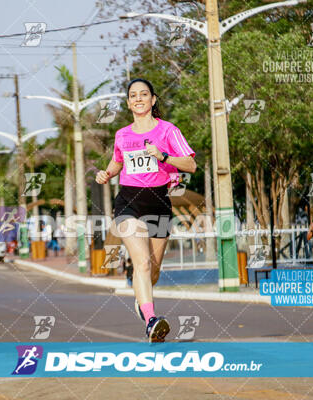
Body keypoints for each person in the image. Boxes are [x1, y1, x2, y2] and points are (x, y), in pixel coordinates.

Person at [95, 78, 196, 342]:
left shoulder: (168, 131)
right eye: (133, 95)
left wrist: (163, 156)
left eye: (144, 94)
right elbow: (117, 163)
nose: (138, 98)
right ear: (129, 103)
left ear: (153, 100)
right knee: (140, 262)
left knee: (153, 269)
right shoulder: (122, 135)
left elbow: (190, 165)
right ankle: (151, 320)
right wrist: (106, 174)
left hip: (159, 203)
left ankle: (142, 299)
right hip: (129, 202)